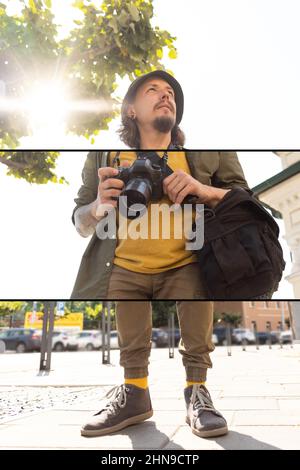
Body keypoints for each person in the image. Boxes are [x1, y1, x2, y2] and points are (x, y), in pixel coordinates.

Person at [72, 71, 249, 439]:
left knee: (198, 317)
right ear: (131, 110)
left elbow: (244, 199)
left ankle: (197, 392)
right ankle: (135, 393)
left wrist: (203, 189)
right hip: (121, 264)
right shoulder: (104, 156)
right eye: (152, 90)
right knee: (131, 333)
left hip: (186, 261)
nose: (165, 95)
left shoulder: (204, 155)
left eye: (170, 93)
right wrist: (98, 206)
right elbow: (79, 219)